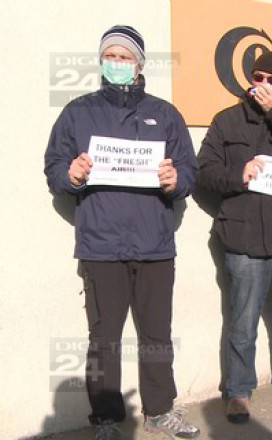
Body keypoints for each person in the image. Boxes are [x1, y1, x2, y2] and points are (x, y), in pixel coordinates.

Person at [43, 25, 200, 440]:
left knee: (155, 335)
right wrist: (71, 175)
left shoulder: (165, 114)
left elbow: (189, 170)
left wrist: (174, 179)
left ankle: (160, 411)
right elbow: (54, 167)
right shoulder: (78, 112)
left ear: (140, 64)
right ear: (100, 62)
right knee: (104, 339)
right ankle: (108, 420)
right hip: (101, 245)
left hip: (155, 245)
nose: (117, 62)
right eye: (109, 56)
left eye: (124, 56)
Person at [196, 50, 272, 423]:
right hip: (243, 237)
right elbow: (203, 171)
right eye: (259, 77)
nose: (263, 85)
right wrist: (240, 173)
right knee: (241, 318)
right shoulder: (226, 121)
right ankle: (238, 391)